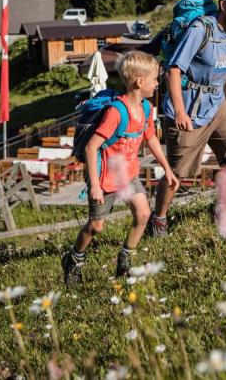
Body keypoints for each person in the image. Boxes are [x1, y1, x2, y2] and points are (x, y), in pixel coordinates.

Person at [146, 0, 226, 237]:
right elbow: (174, 70)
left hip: (217, 104)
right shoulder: (200, 30)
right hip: (188, 107)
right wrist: (178, 111)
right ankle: (159, 219)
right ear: (223, 4)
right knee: (177, 174)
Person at [61, 51, 177, 286]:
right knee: (96, 227)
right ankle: (74, 258)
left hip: (128, 175)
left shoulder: (145, 108)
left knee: (144, 214)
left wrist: (168, 169)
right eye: (155, 79)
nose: (158, 83)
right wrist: (94, 186)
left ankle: (125, 260)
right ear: (139, 82)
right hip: (103, 179)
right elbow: (91, 148)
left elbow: (151, 139)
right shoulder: (116, 112)